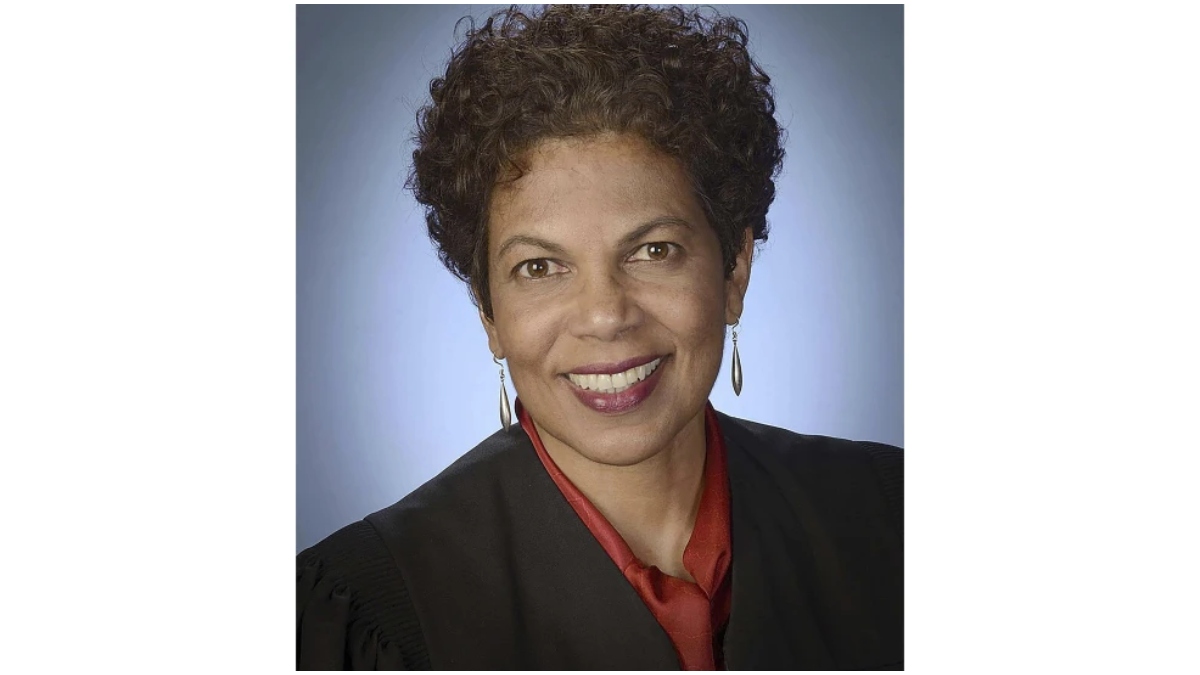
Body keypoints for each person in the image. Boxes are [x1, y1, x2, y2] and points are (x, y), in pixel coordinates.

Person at [296, 4, 902, 670]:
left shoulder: (889, 518)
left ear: (734, 270)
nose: (605, 315)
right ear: (489, 313)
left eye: (653, 251)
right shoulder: (368, 613)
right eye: (540, 267)